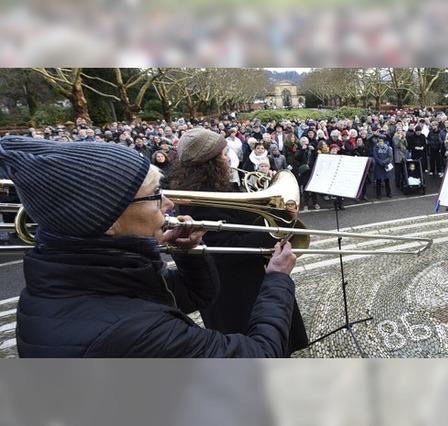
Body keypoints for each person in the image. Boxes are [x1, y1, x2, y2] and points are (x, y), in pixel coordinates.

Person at [0, 136, 298, 358]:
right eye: (155, 195)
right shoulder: (132, 330)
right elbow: (258, 356)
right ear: (109, 221)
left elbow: (196, 295)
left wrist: (187, 254)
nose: (169, 204)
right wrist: (277, 280)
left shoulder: (88, 278)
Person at [170, 128, 309, 356]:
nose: (228, 159)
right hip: (234, 292)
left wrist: (271, 203)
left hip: (248, 278)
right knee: (261, 344)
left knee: (275, 335)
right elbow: (228, 246)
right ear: (211, 163)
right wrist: (277, 230)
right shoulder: (196, 200)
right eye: (224, 154)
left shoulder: (217, 186)